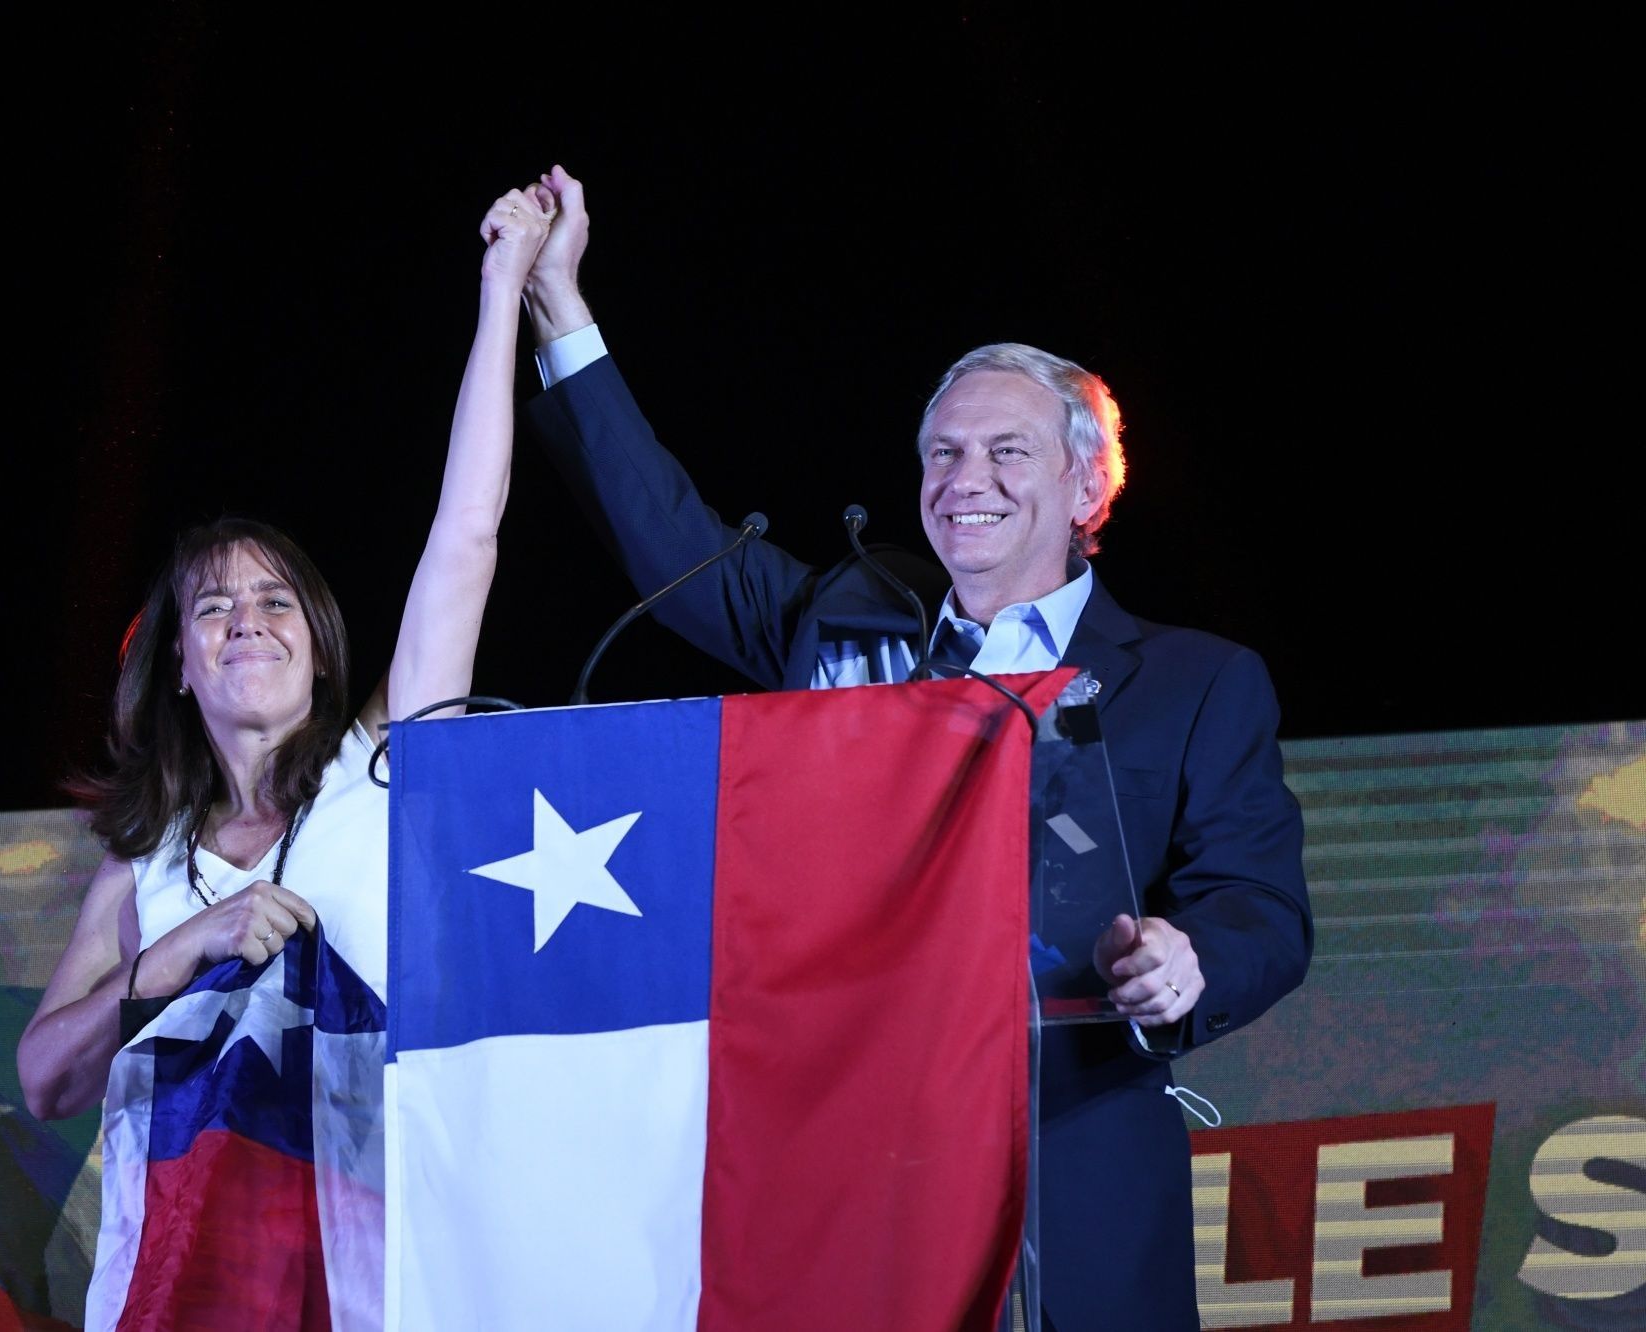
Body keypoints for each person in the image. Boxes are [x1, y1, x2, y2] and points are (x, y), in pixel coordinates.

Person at [515, 165, 1313, 1331]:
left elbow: (1262, 908)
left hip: (1073, 1146)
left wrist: (1189, 964)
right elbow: (661, 532)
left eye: (1005, 452)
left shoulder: (1195, 682)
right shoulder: (839, 616)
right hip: (853, 1159)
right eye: (940, 454)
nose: (962, 482)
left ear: (1088, 481)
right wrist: (556, 303)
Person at [16, 183, 552, 1122]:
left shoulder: (380, 764)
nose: (249, 620)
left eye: (276, 600)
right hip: (187, 1262)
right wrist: (181, 950)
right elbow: (44, 1080)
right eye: (215, 606)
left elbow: (466, 535)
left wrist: (502, 284)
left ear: (318, 649)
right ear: (179, 665)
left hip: (356, 1240)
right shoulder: (143, 865)